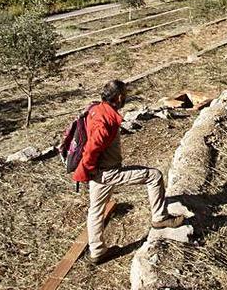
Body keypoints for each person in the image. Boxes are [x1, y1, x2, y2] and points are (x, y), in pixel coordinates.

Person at [73, 80, 184, 264]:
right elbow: (92, 148)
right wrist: (85, 170)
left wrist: (89, 172)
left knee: (96, 210)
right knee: (154, 176)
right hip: (107, 173)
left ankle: (97, 251)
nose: (126, 97)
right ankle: (159, 217)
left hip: (99, 174)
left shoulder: (97, 109)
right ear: (118, 97)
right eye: (124, 94)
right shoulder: (105, 120)